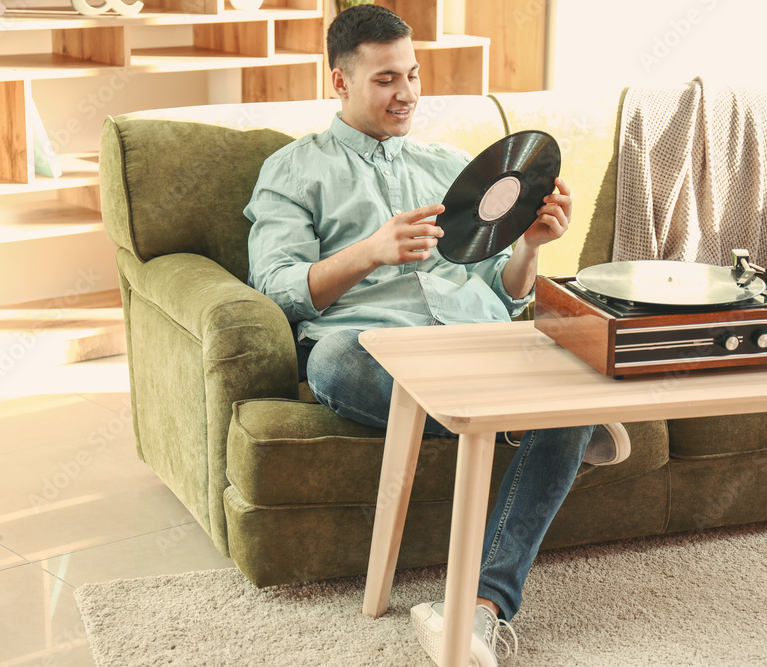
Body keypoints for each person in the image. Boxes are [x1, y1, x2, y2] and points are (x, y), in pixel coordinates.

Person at [244, 5, 631, 665]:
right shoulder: (293, 170)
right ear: (338, 80)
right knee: (333, 359)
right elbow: (276, 286)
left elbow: (503, 288)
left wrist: (532, 246)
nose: (408, 94)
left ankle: (474, 610)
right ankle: (528, 418)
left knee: (556, 370)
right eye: (387, 79)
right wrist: (370, 252)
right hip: (370, 349)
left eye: (414, 75)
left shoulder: (455, 168)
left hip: (477, 344)